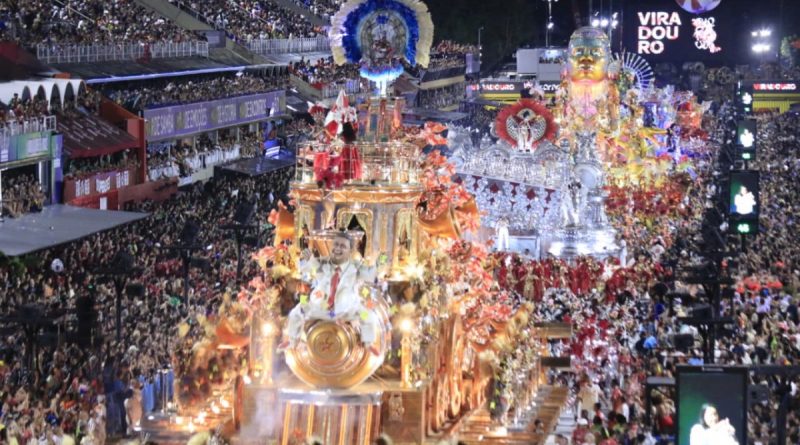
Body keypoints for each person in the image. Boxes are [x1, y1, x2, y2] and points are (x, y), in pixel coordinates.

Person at [282, 231, 381, 355]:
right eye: (336, 245)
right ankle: (292, 341)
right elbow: (312, 269)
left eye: (342, 246)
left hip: (346, 309)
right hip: (322, 307)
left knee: (368, 315)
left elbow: (370, 274)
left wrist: (379, 262)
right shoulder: (324, 262)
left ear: (350, 251)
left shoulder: (355, 267)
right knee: (297, 312)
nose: (338, 249)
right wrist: (308, 259)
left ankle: (368, 344)